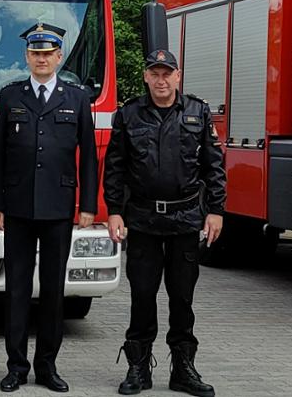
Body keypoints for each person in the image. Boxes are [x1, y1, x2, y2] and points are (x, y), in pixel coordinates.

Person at [103, 49, 225, 397]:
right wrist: (114, 210)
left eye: (166, 73)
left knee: (182, 299)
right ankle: (138, 368)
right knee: (142, 296)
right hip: (142, 220)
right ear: (145, 77)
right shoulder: (128, 115)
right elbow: (115, 167)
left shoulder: (197, 113)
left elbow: (213, 166)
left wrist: (215, 210)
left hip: (185, 220)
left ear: (177, 75)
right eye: (154, 73)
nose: (160, 80)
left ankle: (183, 369)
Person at [0, 23, 97, 394]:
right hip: (17, 207)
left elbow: (89, 159)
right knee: (16, 290)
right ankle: (16, 366)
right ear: (27, 56)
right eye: (36, 53)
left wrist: (88, 205)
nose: (42, 59)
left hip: (59, 208)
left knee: (53, 291)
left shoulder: (77, 99)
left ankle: (47, 366)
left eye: (48, 53)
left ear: (59, 56)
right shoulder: (10, 96)